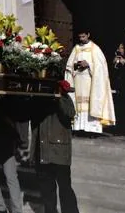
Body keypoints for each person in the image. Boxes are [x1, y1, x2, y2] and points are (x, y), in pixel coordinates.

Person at [30, 80, 80, 213]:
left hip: (59, 153)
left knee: (65, 189)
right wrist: (32, 153)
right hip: (42, 153)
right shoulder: (38, 100)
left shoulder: (64, 99)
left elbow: (70, 113)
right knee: (47, 191)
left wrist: (59, 98)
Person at [65, 29, 116, 135]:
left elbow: (101, 67)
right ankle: (78, 127)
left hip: (90, 81)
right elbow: (69, 65)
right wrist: (76, 65)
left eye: (83, 36)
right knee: (78, 104)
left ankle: (92, 129)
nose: (81, 39)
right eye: (80, 37)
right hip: (78, 80)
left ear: (88, 35)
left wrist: (89, 65)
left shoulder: (95, 48)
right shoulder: (76, 48)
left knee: (90, 104)